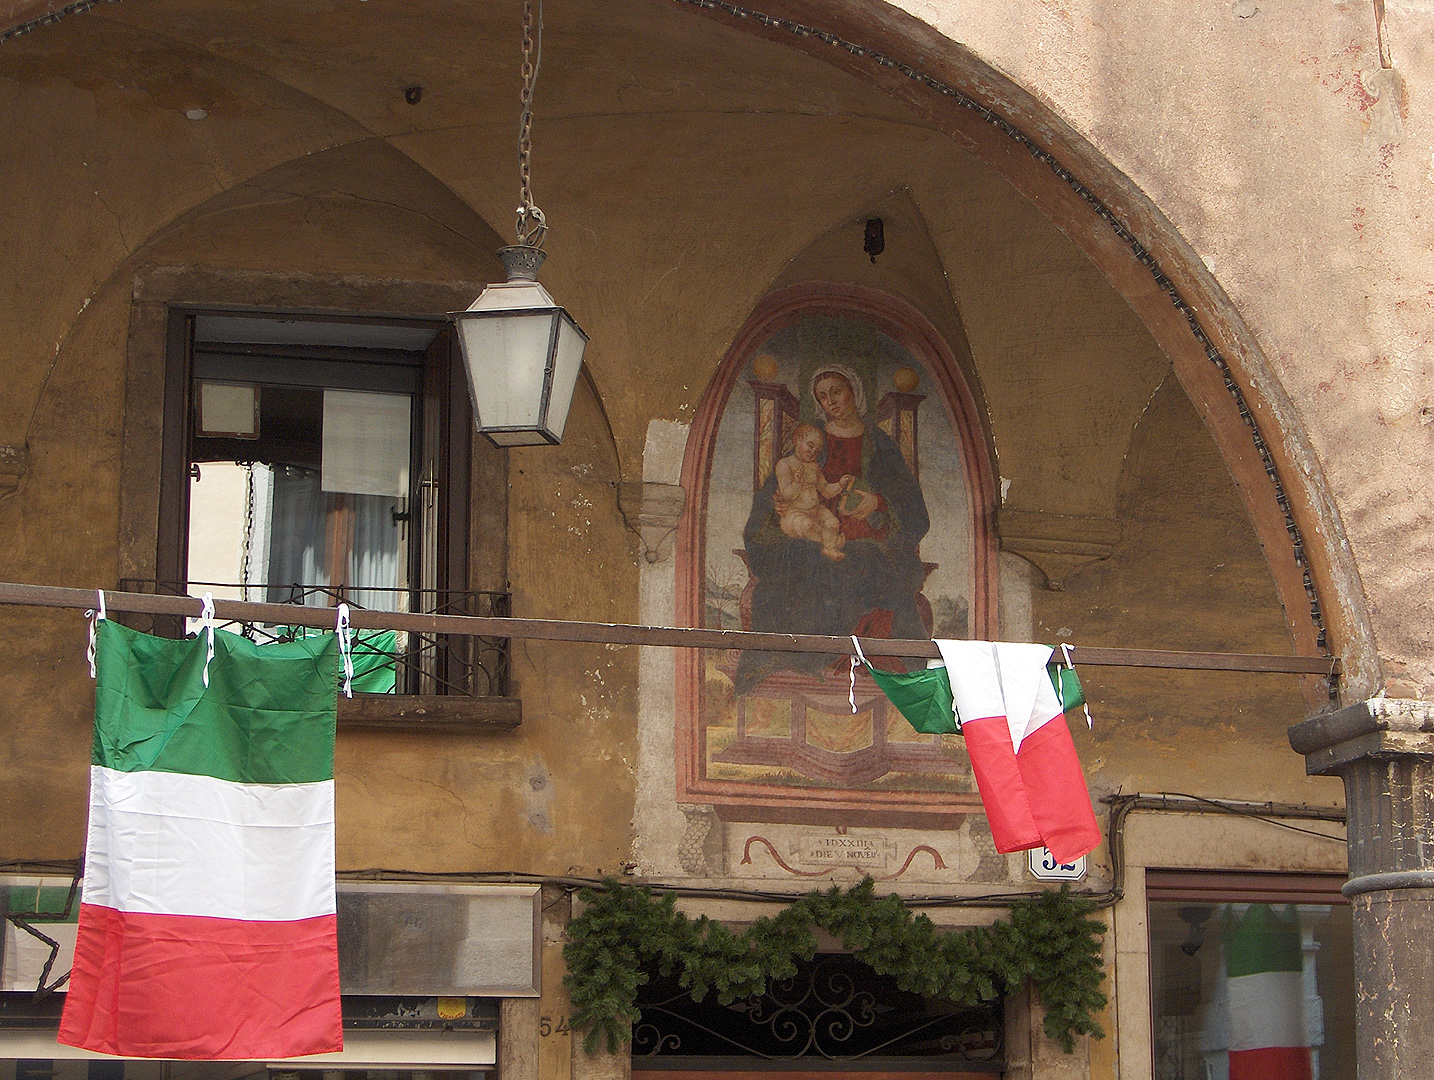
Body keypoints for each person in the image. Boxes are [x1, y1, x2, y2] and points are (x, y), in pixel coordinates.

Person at [736, 363, 931, 693]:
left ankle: (878, 664)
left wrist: (877, 502)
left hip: (864, 537)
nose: (831, 402)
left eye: (836, 392)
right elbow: (779, 488)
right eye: (823, 397)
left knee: (864, 561)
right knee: (802, 562)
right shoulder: (810, 442)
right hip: (812, 532)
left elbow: (910, 502)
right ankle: (801, 664)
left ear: (853, 392)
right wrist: (780, 505)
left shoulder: (878, 445)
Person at [773, 423, 852, 560]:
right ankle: (831, 542)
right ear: (797, 439)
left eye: (817, 451)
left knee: (833, 523)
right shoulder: (785, 464)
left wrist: (839, 484)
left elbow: (826, 490)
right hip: (793, 514)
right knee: (807, 525)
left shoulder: (814, 467)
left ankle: (829, 548)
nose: (812, 452)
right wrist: (797, 483)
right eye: (810, 445)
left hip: (816, 511)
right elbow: (787, 495)